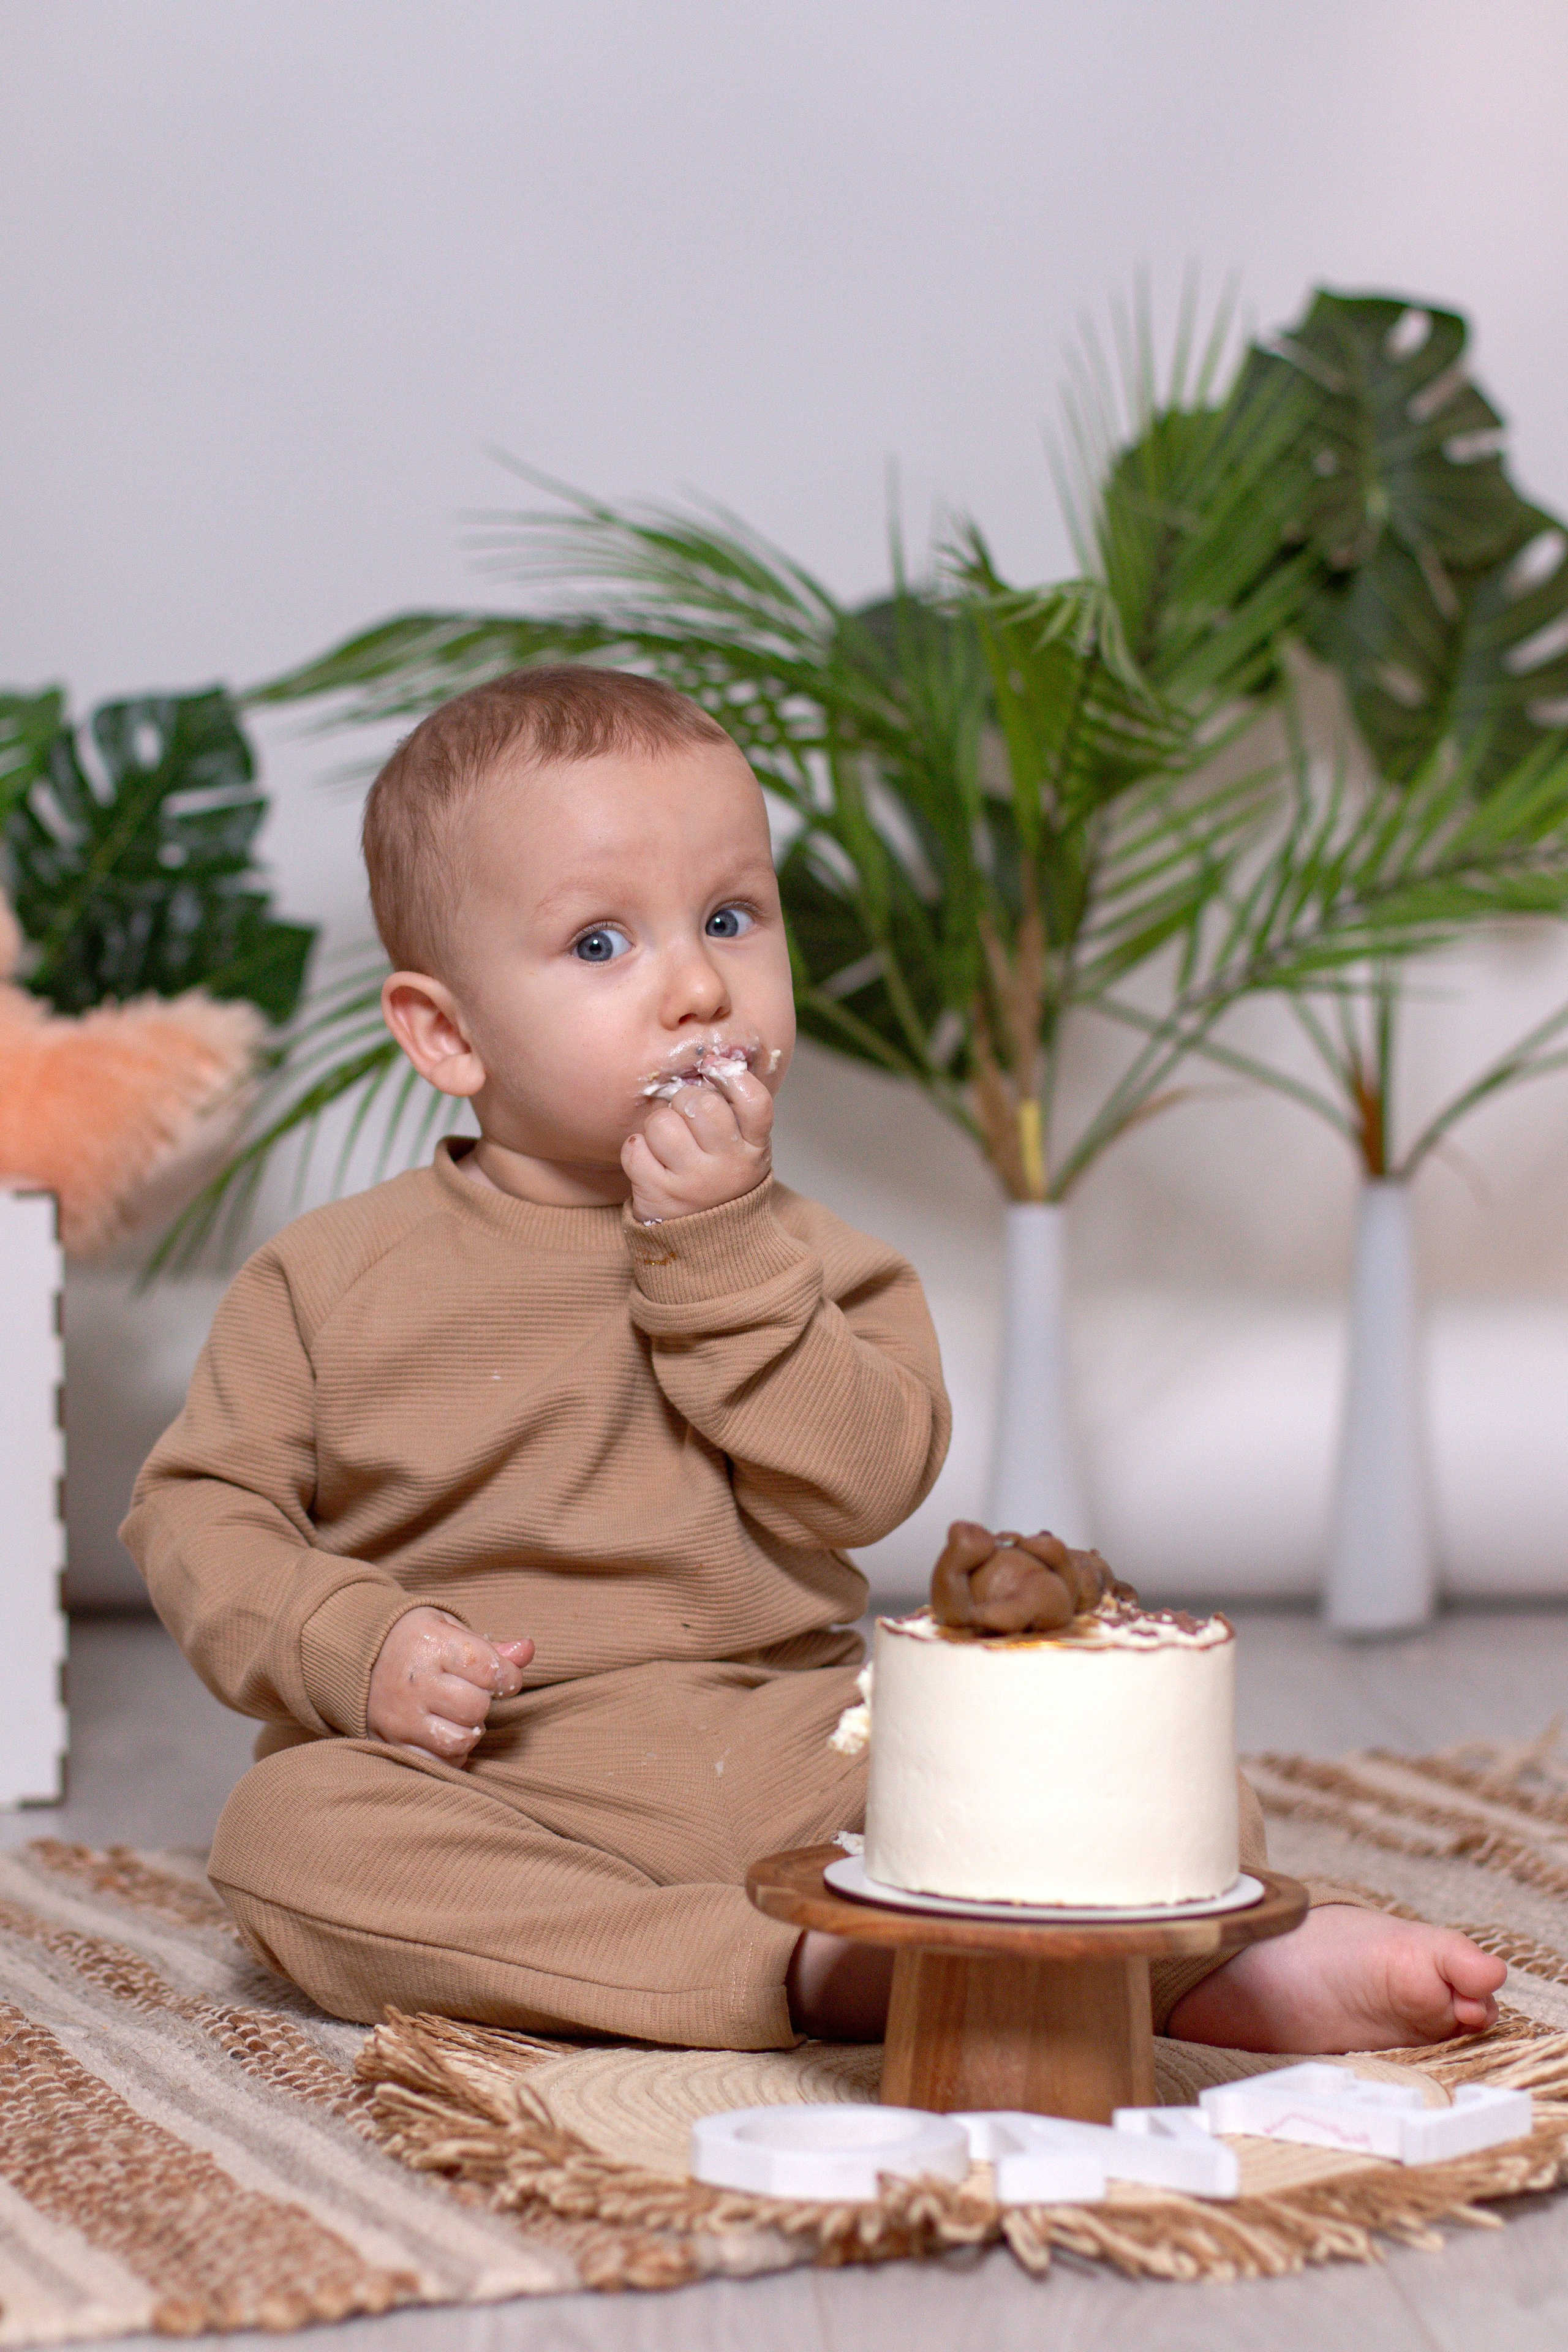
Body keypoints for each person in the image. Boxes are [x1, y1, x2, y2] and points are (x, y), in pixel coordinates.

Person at [123, 668, 1506, 2057]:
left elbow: (861, 1486)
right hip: (502, 1775)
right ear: (447, 1033)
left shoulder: (812, 1256)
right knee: (291, 1834)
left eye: (730, 918)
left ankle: (1195, 1970)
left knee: (1150, 1776)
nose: (697, 985)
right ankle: (807, 1972)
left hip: (800, 1748)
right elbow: (198, 1513)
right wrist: (349, 1645)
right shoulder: (326, 1280)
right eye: (600, 945)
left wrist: (715, 1252)